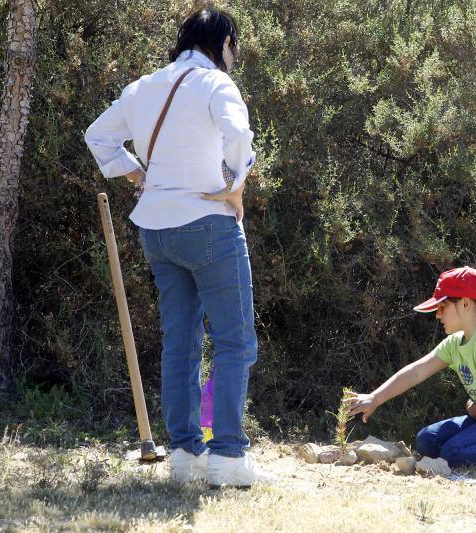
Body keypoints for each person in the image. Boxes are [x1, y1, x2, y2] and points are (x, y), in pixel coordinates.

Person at [85, 7, 274, 487]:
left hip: (156, 228)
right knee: (234, 341)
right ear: (225, 42)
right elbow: (239, 137)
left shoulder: (145, 86)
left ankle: (186, 456)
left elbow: (98, 136)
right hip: (209, 223)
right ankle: (228, 458)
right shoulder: (215, 84)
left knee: (181, 343)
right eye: (236, 47)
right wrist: (238, 184)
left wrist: (136, 173)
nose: (236, 57)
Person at [347, 266, 476, 468]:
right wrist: (375, 398)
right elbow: (417, 371)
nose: (437, 315)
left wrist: (472, 410)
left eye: (442, 307)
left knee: (452, 452)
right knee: (427, 440)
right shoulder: (456, 342)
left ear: (465, 303)